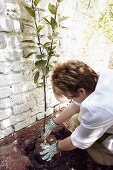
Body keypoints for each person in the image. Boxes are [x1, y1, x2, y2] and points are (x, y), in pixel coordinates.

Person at [40, 60, 113, 166]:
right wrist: (54, 122)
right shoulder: (99, 76)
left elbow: (78, 141)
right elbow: (76, 105)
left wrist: (57, 146)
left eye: (70, 97)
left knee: (100, 158)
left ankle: (108, 157)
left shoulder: (96, 109)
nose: (71, 100)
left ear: (81, 91)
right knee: (75, 120)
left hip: (105, 117)